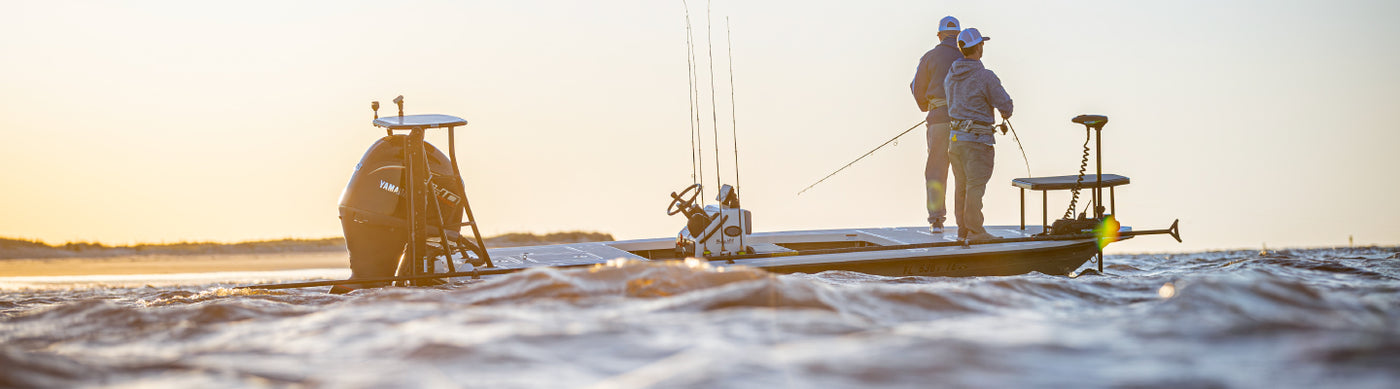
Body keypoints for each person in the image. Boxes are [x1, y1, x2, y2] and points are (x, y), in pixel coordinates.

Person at [944, 27, 1012, 241]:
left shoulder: (950, 76)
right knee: (975, 185)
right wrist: (1003, 110)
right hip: (977, 142)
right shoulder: (985, 76)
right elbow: (1006, 106)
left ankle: (963, 231)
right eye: (982, 43)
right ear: (979, 47)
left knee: (961, 186)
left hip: (955, 141)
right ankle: (975, 231)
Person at [910, 16, 963, 234]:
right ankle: (966, 224)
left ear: (939, 35)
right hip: (963, 124)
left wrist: (929, 107)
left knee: (936, 171)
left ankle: (937, 220)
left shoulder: (929, 58)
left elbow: (916, 88)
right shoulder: (966, 57)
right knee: (963, 173)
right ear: (958, 35)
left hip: (938, 121)